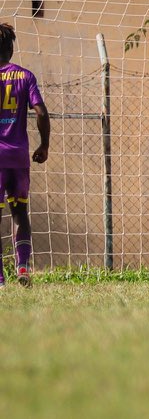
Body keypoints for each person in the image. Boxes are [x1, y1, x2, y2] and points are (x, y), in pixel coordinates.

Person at [0, 23, 49, 287]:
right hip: (18, 157)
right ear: (10, 48)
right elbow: (41, 112)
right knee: (20, 212)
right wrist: (44, 145)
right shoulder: (25, 76)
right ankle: (22, 267)